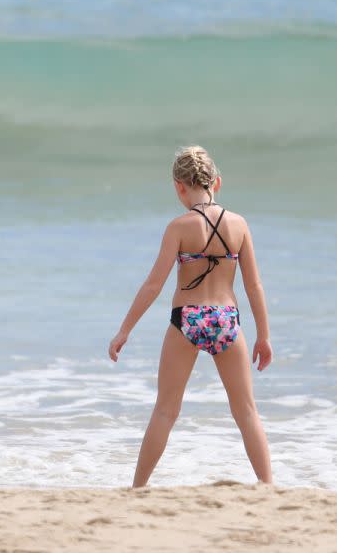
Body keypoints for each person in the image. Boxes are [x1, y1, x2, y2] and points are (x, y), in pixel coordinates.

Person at [108, 146, 273, 487]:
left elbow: (153, 284)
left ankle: (138, 487)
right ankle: (268, 485)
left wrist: (124, 330)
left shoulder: (179, 227)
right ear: (218, 182)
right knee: (246, 411)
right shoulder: (239, 225)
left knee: (166, 410)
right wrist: (264, 336)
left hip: (187, 319)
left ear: (179, 187)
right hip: (227, 318)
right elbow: (254, 285)